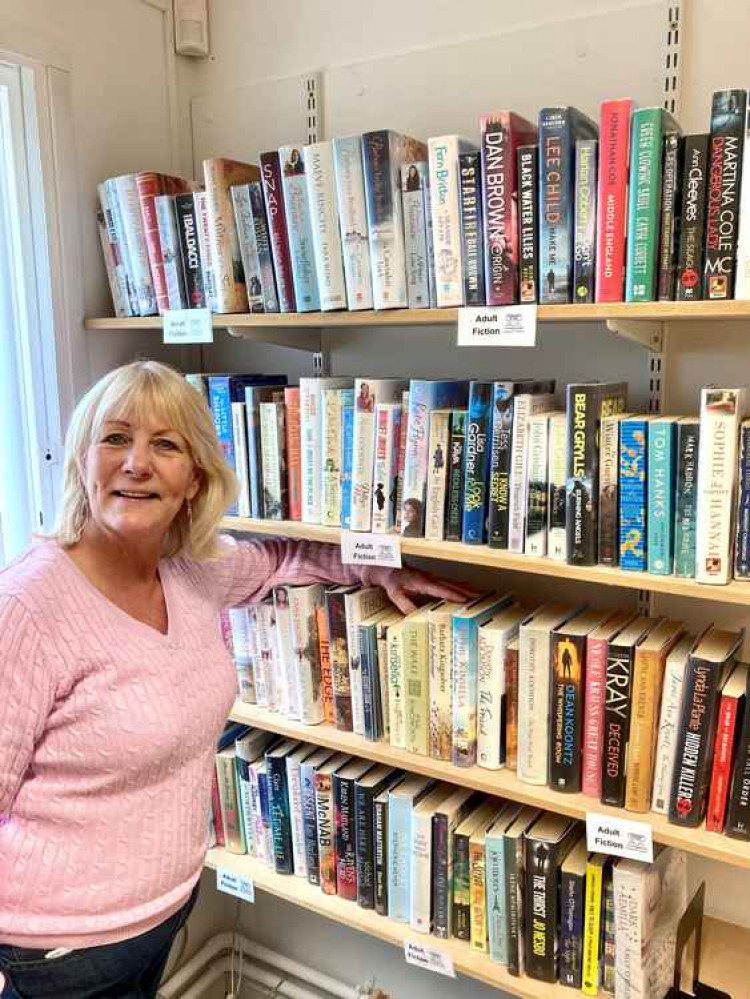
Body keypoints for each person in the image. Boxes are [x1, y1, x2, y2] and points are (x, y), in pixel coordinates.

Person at [0, 361, 473, 999]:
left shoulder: (188, 573)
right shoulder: (30, 605)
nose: (136, 463)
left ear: (194, 478)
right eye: (115, 439)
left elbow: (284, 558)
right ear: (83, 459)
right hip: (54, 953)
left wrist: (377, 571)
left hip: (161, 919)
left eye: (164, 445)